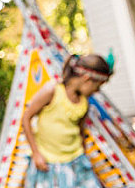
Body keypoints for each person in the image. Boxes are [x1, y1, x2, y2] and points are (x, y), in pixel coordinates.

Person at [22, 54, 113, 188]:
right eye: (97, 87)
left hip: (76, 160)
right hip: (49, 162)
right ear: (87, 79)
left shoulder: (84, 102)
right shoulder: (52, 91)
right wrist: (36, 153)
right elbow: (26, 118)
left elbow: (81, 130)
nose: (96, 91)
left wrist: (84, 153)